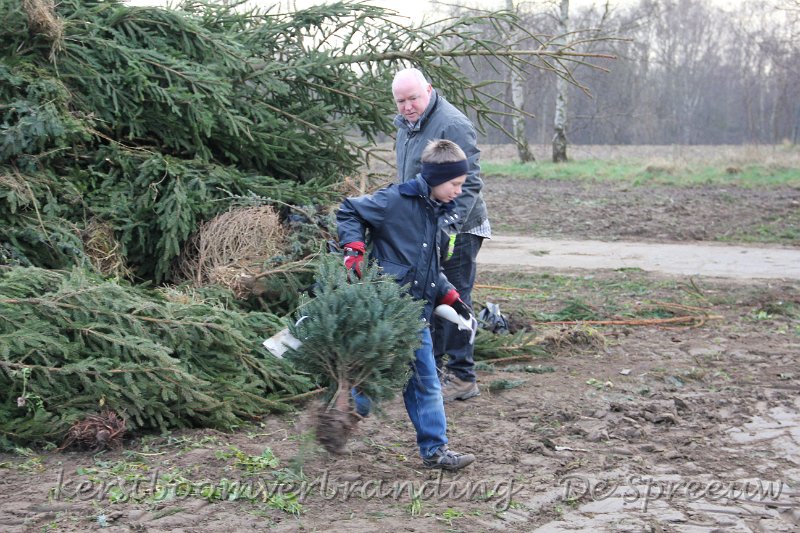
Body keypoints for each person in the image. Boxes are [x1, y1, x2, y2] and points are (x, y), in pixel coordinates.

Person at [337, 139, 476, 471]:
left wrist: (449, 295)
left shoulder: (438, 215)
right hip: (387, 310)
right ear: (435, 176)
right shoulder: (394, 201)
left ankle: (435, 450)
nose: (459, 190)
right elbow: (350, 209)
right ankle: (340, 417)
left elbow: (428, 268)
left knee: (426, 381)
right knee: (372, 380)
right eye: (455, 183)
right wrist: (354, 248)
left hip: (416, 316)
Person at [391, 67, 490, 403]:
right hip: (427, 226)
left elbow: (470, 182)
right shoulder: (405, 126)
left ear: (429, 91)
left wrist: (446, 225)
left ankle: (462, 377)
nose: (406, 106)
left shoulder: (452, 124)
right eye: (401, 101)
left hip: (457, 228)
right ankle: (430, 372)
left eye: (413, 98)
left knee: (455, 296)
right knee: (428, 296)